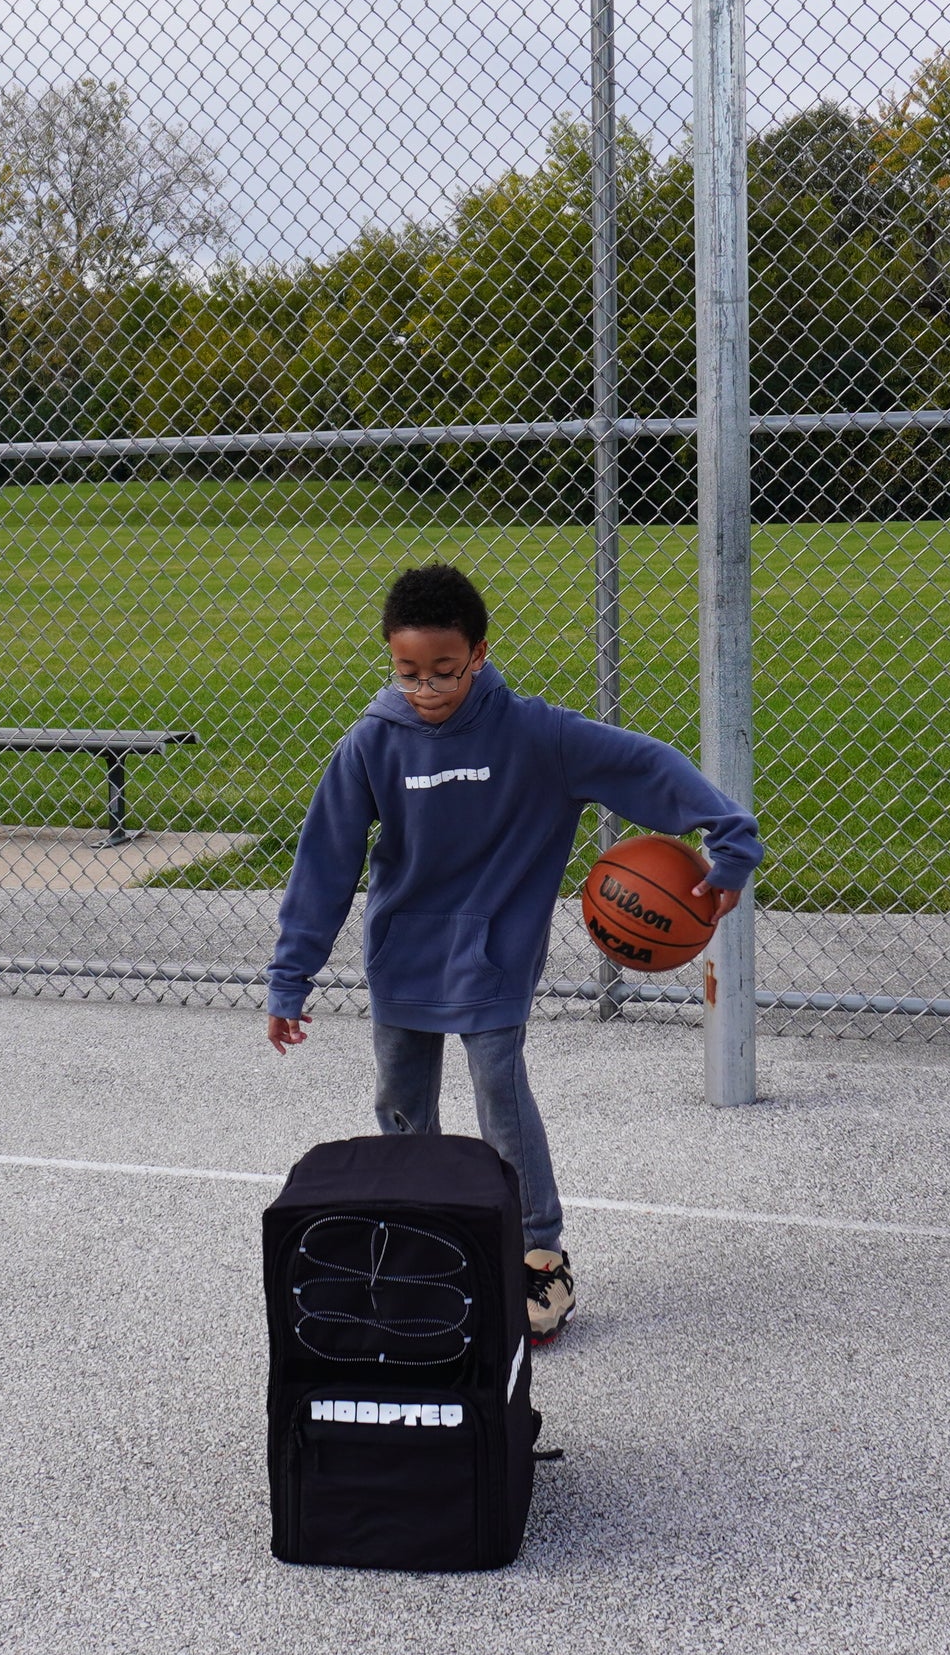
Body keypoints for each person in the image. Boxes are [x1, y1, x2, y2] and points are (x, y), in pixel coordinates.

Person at [266, 562, 761, 1343]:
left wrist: (729, 839)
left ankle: (539, 1255)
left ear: (481, 655)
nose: (426, 688)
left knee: (501, 1093)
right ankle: (421, 1239)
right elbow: (324, 862)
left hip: (494, 954)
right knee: (402, 1103)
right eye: (408, 672)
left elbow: (647, 765)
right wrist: (290, 976)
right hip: (403, 956)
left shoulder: (537, 736)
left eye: (444, 671)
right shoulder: (372, 743)